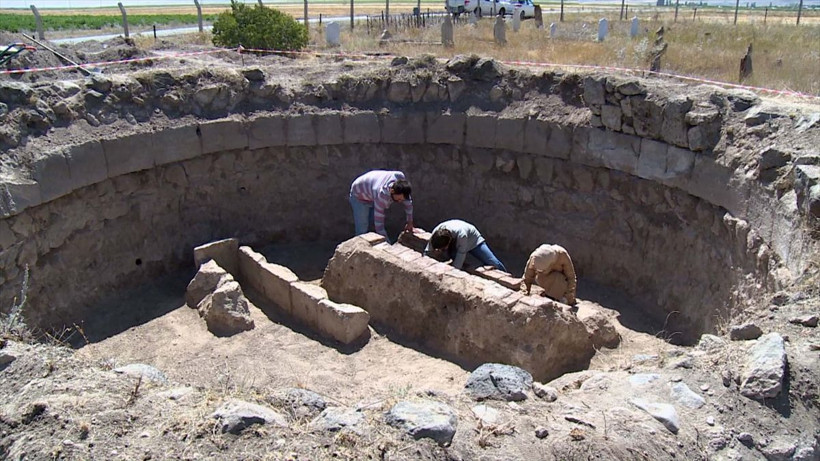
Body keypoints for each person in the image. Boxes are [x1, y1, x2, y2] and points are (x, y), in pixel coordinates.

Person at [349, 170, 413, 242]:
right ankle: (359, 249)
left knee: (371, 223)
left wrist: (409, 222)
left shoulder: (400, 180)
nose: (400, 201)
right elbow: (379, 226)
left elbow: (408, 203)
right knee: (362, 230)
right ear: (392, 191)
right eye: (399, 199)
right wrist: (388, 246)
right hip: (359, 194)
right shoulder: (382, 196)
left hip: (371, 190)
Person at [424, 219, 507, 272]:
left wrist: (454, 274)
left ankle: (507, 278)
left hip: (474, 240)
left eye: (443, 248)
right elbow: (427, 251)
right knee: (453, 258)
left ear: (448, 243)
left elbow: (460, 256)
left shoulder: (461, 234)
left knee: (492, 262)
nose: (442, 250)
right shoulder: (436, 233)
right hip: (455, 242)